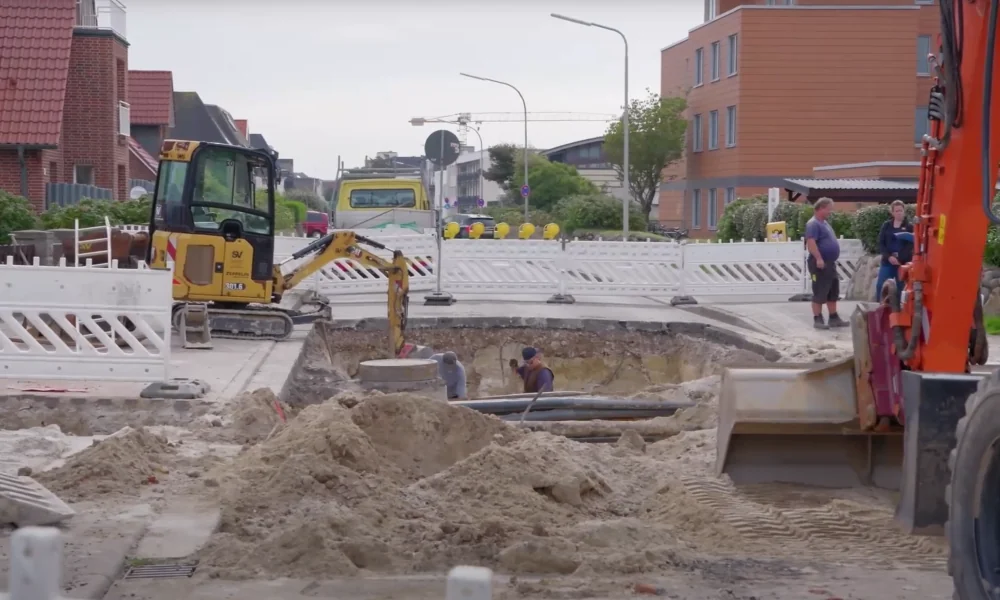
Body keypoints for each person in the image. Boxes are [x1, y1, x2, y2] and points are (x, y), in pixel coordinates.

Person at [804, 197, 847, 330]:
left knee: (832, 290)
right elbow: (811, 242)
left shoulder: (824, 223)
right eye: (829, 209)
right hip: (819, 263)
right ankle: (818, 319)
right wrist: (818, 258)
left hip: (829, 263)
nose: (830, 212)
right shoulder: (813, 224)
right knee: (820, 290)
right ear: (821, 208)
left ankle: (833, 317)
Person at [874, 200, 914, 302]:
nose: (899, 213)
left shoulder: (910, 226)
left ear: (904, 211)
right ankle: (881, 308)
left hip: (902, 263)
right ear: (892, 212)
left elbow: (911, 245)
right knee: (881, 285)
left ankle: (899, 311)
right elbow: (881, 243)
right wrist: (889, 256)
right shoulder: (886, 225)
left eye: (900, 210)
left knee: (901, 288)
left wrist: (899, 258)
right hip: (888, 262)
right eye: (896, 211)